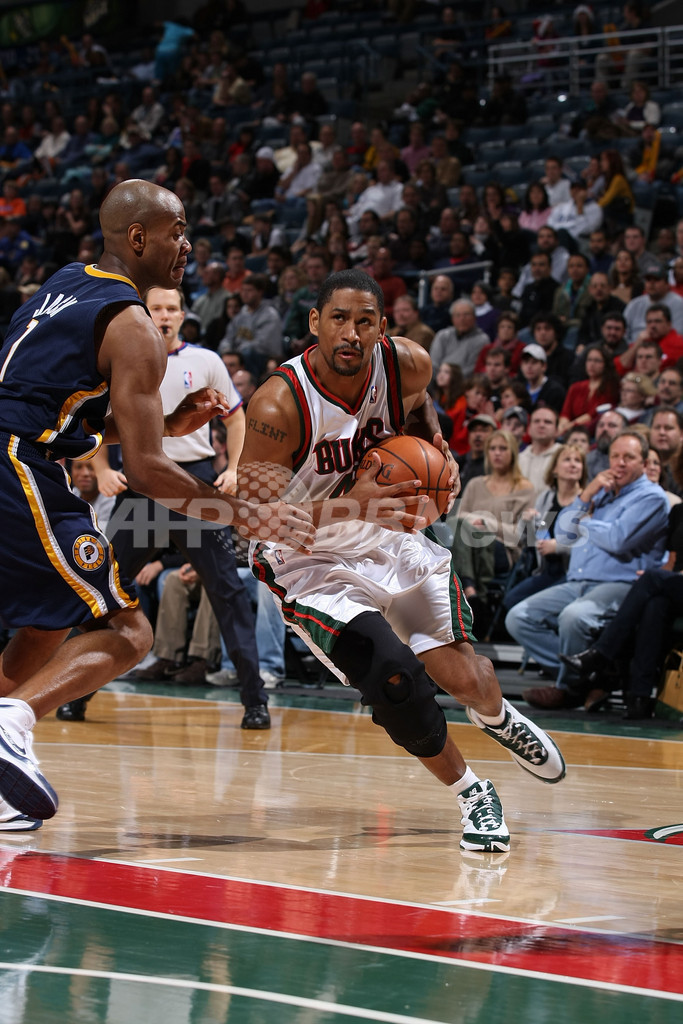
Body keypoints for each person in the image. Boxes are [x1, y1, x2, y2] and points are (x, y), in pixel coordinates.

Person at [0, 179, 313, 827]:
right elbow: (145, 471)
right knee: (128, 630)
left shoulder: (64, 284)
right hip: (20, 469)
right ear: (139, 238)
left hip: (18, 453)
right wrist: (245, 515)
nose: (188, 245)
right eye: (178, 231)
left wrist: (166, 424)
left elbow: (62, 411)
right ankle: (12, 723)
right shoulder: (133, 324)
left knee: (48, 623)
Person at [238, 268, 565, 853]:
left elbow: (418, 407)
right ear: (314, 323)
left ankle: (496, 716)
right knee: (392, 677)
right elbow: (253, 520)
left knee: (467, 680)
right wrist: (350, 505)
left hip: (388, 536)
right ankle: (473, 791)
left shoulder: (407, 363)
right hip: (308, 558)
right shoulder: (278, 404)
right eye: (339, 318)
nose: (351, 333)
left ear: (382, 327)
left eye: (365, 321)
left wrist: (437, 450)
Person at [96, 284, 275, 727]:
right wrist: (100, 469)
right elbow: (91, 421)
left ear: (181, 315)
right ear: (144, 313)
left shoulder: (207, 360)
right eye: (156, 308)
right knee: (101, 589)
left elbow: (236, 418)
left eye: (171, 308)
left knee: (228, 593)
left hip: (193, 486)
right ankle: (77, 693)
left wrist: (235, 467)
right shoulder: (123, 357)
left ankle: (255, 700)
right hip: (141, 485)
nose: (164, 315)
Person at [506, 431, 669, 709]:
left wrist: (585, 522)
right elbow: (563, 533)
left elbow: (618, 539)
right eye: (615, 456)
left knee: (573, 617)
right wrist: (585, 495)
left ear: (643, 463)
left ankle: (568, 689)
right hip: (578, 581)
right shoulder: (601, 491)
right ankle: (594, 676)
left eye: (629, 457)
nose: (620, 463)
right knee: (519, 617)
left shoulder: (651, 497)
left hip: (621, 584)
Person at [561, 498, 683, 719]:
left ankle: (601, 654)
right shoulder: (679, 511)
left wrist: (657, 577)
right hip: (677, 586)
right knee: (655, 604)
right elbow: (673, 562)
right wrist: (662, 576)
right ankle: (639, 697)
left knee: (651, 579)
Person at [451, 429, 534, 609]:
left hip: (503, 549)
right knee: (455, 527)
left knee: (462, 533)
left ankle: (466, 590)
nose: (497, 453)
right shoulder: (475, 484)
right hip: (469, 545)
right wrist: (474, 524)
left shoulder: (525, 488)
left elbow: (520, 535)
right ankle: (471, 591)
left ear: (513, 452)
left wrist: (486, 523)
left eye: (503, 448)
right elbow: (458, 519)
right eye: (493, 448)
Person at [503, 443, 587, 612]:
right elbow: (526, 541)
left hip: (572, 573)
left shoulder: (586, 500)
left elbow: (589, 544)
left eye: (578, 461)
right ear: (554, 469)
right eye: (567, 460)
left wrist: (559, 547)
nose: (573, 464)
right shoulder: (546, 498)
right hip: (546, 571)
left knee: (531, 607)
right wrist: (526, 522)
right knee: (510, 601)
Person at [558, 345, 620, 436]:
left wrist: (569, 427)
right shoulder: (575, 387)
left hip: (592, 432)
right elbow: (565, 414)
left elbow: (592, 415)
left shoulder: (610, 388)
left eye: (597, 361)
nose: (592, 364)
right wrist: (561, 427)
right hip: (569, 431)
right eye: (589, 360)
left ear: (606, 364)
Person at [429, 299, 490, 378]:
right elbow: (433, 364)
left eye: (466, 315)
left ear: (474, 317)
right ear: (452, 318)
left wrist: (448, 379)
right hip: (438, 380)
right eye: (457, 315)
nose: (462, 319)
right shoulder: (442, 335)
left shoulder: (482, 340)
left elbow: (471, 369)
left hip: (463, 382)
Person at [518, 406, 562, 493]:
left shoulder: (564, 457)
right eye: (536, 421)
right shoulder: (518, 459)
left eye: (547, 422)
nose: (541, 425)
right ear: (528, 429)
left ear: (557, 430)